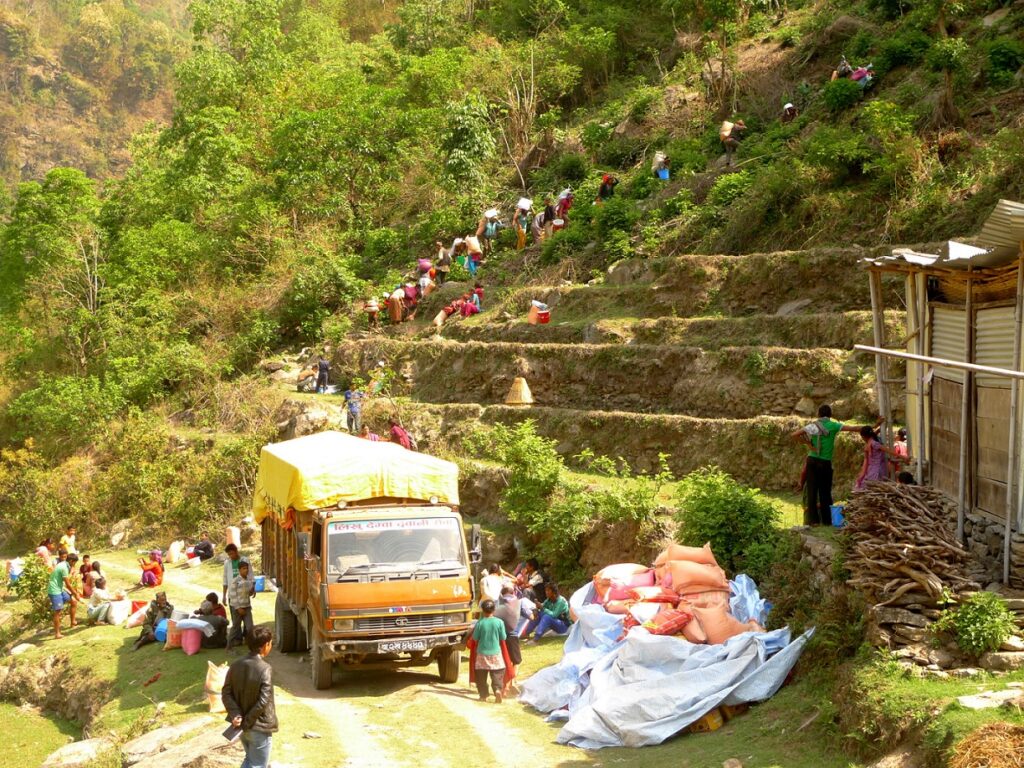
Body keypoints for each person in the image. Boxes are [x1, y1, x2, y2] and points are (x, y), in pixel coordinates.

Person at [790, 405, 882, 526]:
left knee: (812, 490)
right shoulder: (833, 426)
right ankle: (827, 520)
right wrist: (874, 425)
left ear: (819, 414)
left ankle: (812, 521)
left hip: (812, 460)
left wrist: (808, 443)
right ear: (830, 415)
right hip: (824, 462)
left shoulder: (814, 426)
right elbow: (854, 428)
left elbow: (794, 434)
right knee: (825, 491)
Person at [222, 625, 278, 768]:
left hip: (240, 725)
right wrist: (247, 721)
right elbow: (263, 700)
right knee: (257, 765)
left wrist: (236, 715)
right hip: (257, 726)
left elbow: (226, 693)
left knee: (250, 761)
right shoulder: (265, 668)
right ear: (266, 645)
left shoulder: (235, 665)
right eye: (270, 643)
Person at [471, 599, 507, 703]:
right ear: (494, 609)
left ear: (483, 610)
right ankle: (497, 690)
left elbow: (475, 638)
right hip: (496, 653)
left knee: (481, 676)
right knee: (497, 673)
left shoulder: (480, 623)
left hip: (482, 653)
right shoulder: (499, 622)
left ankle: (483, 696)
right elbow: (503, 637)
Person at [855, 425, 907, 491]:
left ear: (864, 437)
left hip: (874, 471)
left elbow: (888, 451)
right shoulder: (873, 443)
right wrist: (903, 457)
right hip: (878, 469)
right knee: (877, 487)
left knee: (871, 487)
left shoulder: (871, 444)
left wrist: (903, 457)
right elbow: (889, 451)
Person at [495, 587, 522, 696]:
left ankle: (504, 687)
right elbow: (531, 615)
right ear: (513, 593)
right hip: (513, 636)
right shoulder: (519, 602)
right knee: (516, 662)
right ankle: (510, 684)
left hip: (500, 638)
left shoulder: (497, 603)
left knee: (503, 662)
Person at [226, 559, 256, 651]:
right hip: (237, 608)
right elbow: (232, 595)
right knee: (235, 627)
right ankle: (229, 646)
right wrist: (238, 608)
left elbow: (248, 593)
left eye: (246, 568)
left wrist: (252, 591)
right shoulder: (236, 581)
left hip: (246, 607)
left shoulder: (248, 581)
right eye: (243, 569)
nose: (246, 570)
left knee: (250, 627)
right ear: (239, 570)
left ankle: (252, 646)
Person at [48, 552, 80, 639]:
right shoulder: (64, 568)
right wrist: (75, 593)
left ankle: (73, 622)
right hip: (54, 591)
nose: (74, 565)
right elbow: (68, 584)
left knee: (73, 602)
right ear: (70, 561)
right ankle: (57, 633)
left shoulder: (64, 565)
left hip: (60, 589)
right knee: (58, 611)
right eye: (74, 563)